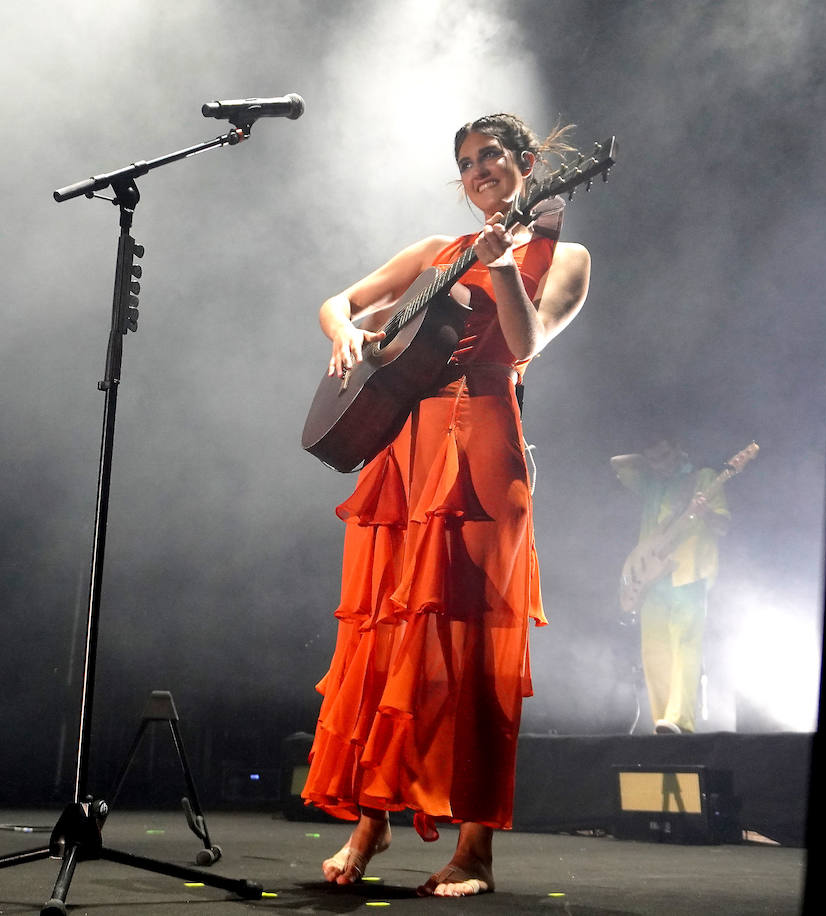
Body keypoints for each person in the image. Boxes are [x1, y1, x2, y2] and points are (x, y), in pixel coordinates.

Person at [300, 113, 591, 897]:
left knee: (471, 646)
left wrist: (501, 270)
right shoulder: (433, 253)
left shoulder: (562, 256)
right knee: (386, 635)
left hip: (483, 443)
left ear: (527, 164)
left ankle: (474, 853)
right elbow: (340, 301)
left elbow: (526, 341)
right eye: (465, 162)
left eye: (490, 155)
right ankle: (373, 818)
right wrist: (347, 335)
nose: (477, 169)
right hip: (404, 446)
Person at [612, 440, 730, 735]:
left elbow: (723, 526)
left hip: (689, 571)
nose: (660, 464)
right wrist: (647, 458)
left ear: (679, 450)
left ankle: (680, 720)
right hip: (653, 578)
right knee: (654, 652)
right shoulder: (651, 482)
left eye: (665, 456)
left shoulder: (703, 478)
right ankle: (663, 721)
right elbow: (618, 463)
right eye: (653, 460)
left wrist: (705, 514)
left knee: (686, 646)